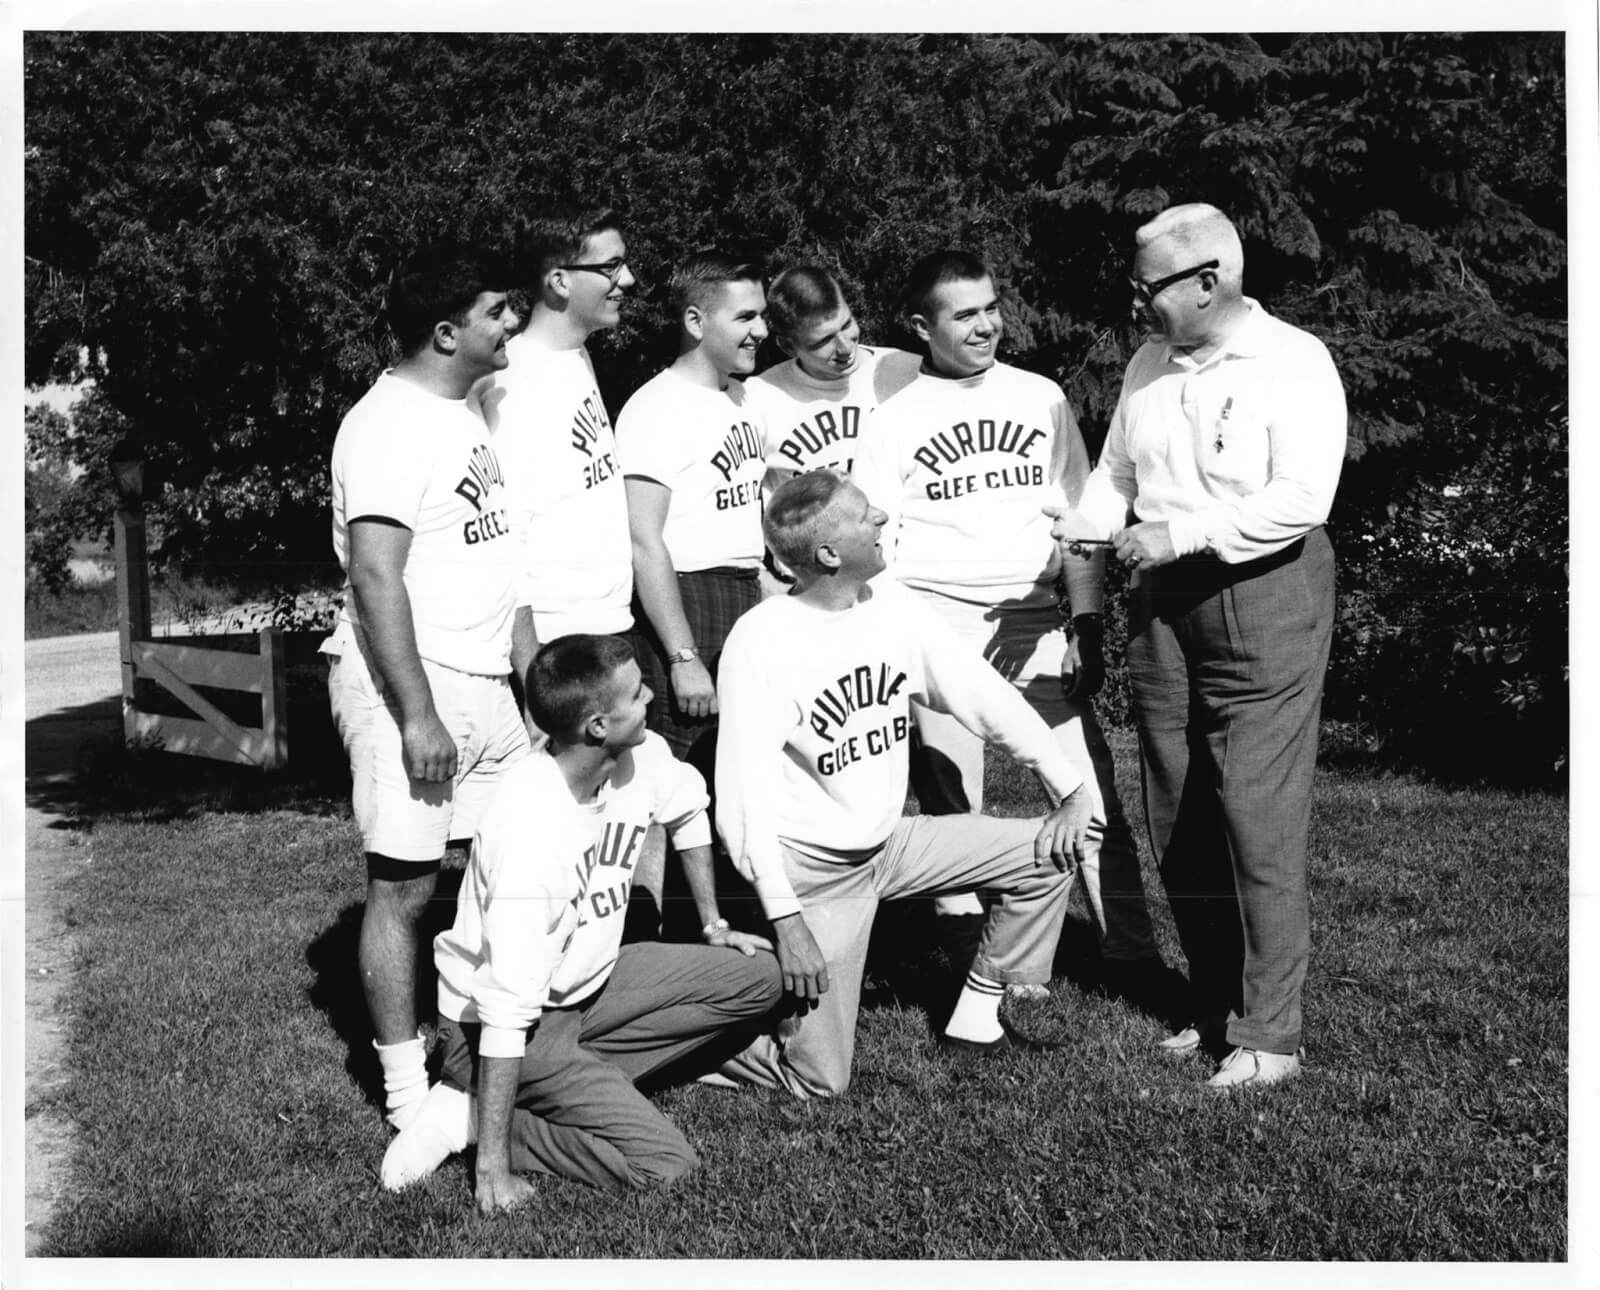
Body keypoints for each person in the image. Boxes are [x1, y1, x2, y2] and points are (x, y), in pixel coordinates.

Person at [1047, 203, 1346, 1089]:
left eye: (1149, 288)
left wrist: (1178, 536)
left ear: (1209, 281)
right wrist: (1081, 531)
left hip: (1265, 590)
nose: (1135, 305)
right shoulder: (1149, 363)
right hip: (1160, 606)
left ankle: (1268, 1036)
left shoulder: (1294, 362)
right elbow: (1115, 481)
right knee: (1176, 809)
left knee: (1255, 812)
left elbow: (1302, 499)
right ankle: (1213, 1004)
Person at [712, 470, 1099, 1099]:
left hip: (889, 847)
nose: (883, 518)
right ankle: (700, 1047)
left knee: (1052, 852)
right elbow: (741, 803)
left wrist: (1067, 784)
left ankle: (974, 1023)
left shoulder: (892, 610)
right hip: (814, 871)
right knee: (820, 1080)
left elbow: (981, 696)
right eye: (866, 515)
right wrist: (787, 921)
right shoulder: (762, 641)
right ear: (830, 554)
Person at [852, 250, 1164, 990]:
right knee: (956, 809)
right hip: (937, 626)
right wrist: (905, 643)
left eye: (991, 306)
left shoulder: (1042, 396)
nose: (987, 324)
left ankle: (1131, 956)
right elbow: (874, 546)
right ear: (922, 327)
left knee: (1088, 790)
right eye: (964, 314)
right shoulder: (892, 419)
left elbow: (1080, 521)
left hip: (1035, 624)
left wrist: (1086, 623)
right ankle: (975, 962)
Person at [381, 634, 781, 1204]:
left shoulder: (639, 758)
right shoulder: (532, 828)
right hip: (505, 1027)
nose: (651, 696)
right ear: (597, 726)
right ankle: (471, 1119)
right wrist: (492, 1169)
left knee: (763, 977)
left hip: (592, 988)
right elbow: (506, 1007)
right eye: (638, 692)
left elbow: (689, 804)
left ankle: (563, 1084)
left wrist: (715, 924)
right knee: (667, 1164)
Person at [322, 242, 531, 1131]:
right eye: (495, 312)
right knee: (404, 888)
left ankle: (480, 1054)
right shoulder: (386, 425)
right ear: (447, 333)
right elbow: (376, 577)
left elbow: (490, 560)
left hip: (486, 685)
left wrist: (525, 681)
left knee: (505, 869)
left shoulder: (465, 407)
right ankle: (408, 1096)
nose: (512, 322)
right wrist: (417, 715)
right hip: (411, 687)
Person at [615, 252, 769, 782]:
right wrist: (682, 657)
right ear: (695, 322)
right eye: (745, 317)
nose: (761, 331)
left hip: (743, 593)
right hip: (685, 602)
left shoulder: (742, 398)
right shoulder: (656, 408)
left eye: (762, 316)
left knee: (737, 771)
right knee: (678, 777)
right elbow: (643, 539)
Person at [474, 208, 637, 645]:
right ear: (560, 281)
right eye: (610, 267)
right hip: (558, 634)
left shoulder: (577, 357)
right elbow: (507, 536)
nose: (628, 280)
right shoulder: (516, 382)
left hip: (604, 621)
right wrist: (533, 670)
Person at [743, 264, 921, 491]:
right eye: (824, 341)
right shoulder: (759, 400)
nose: (845, 347)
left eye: (847, 324)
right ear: (788, 346)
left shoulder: (906, 370)